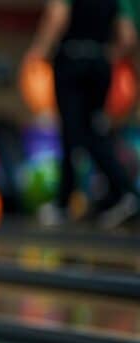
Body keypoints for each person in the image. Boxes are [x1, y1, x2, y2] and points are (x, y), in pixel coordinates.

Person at [26, 0, 139, 228]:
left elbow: (58, 16)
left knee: (72, 131)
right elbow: (128, 37)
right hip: (99, 63)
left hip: (72, 60)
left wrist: (39, 51)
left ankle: (67, 203)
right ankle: (121, 194)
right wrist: (105, 56)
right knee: (95, 131)